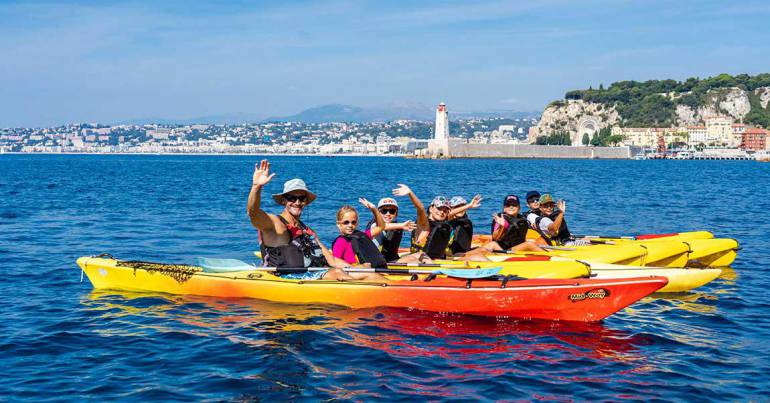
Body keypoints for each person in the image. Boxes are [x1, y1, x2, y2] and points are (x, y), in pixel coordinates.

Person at [247, 160, 380, 281]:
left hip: (316, 273)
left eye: (301, 198)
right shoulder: (276, 223)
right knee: (337, 273)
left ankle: (397, 294)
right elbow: (253, 213)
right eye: (292, 198)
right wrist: (256, 187)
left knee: (369, 273)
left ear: (306, 201)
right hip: (288, 277)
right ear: (283, 200)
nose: (297, 202)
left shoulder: (306, 230)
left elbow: (332, 259)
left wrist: (355, 268)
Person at [331, 198, 389, 269]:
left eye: (353, 222)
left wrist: (374, 209)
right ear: (338, 224)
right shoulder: (340, 242)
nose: (350, 225)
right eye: (346, 222)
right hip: (354, 274)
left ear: (357, 223)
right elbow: (334, 265)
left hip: (370, 272)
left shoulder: (361, 237)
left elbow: (381, 226)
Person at [480, 195, 545, 252]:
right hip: (502, 250)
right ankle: (549, 257)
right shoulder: (500, 218)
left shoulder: (522, 220)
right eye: (508, 205)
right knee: (529, 244)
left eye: (514, 205)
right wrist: (502, 226)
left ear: (519, 208)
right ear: (504, 208)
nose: (511, 207)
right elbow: (495, 237)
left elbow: (522, 238)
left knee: (531, 243)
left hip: (515, 249)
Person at [366, 197, 416, 262]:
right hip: (374, 263)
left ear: (396, 214)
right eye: (384, 211)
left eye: (392, 211)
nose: (388, 214)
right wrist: (402, 225)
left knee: (419, 255)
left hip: (390, 260)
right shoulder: (374, 225)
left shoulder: (396, 227)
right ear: (378, 213)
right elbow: (381, 227)